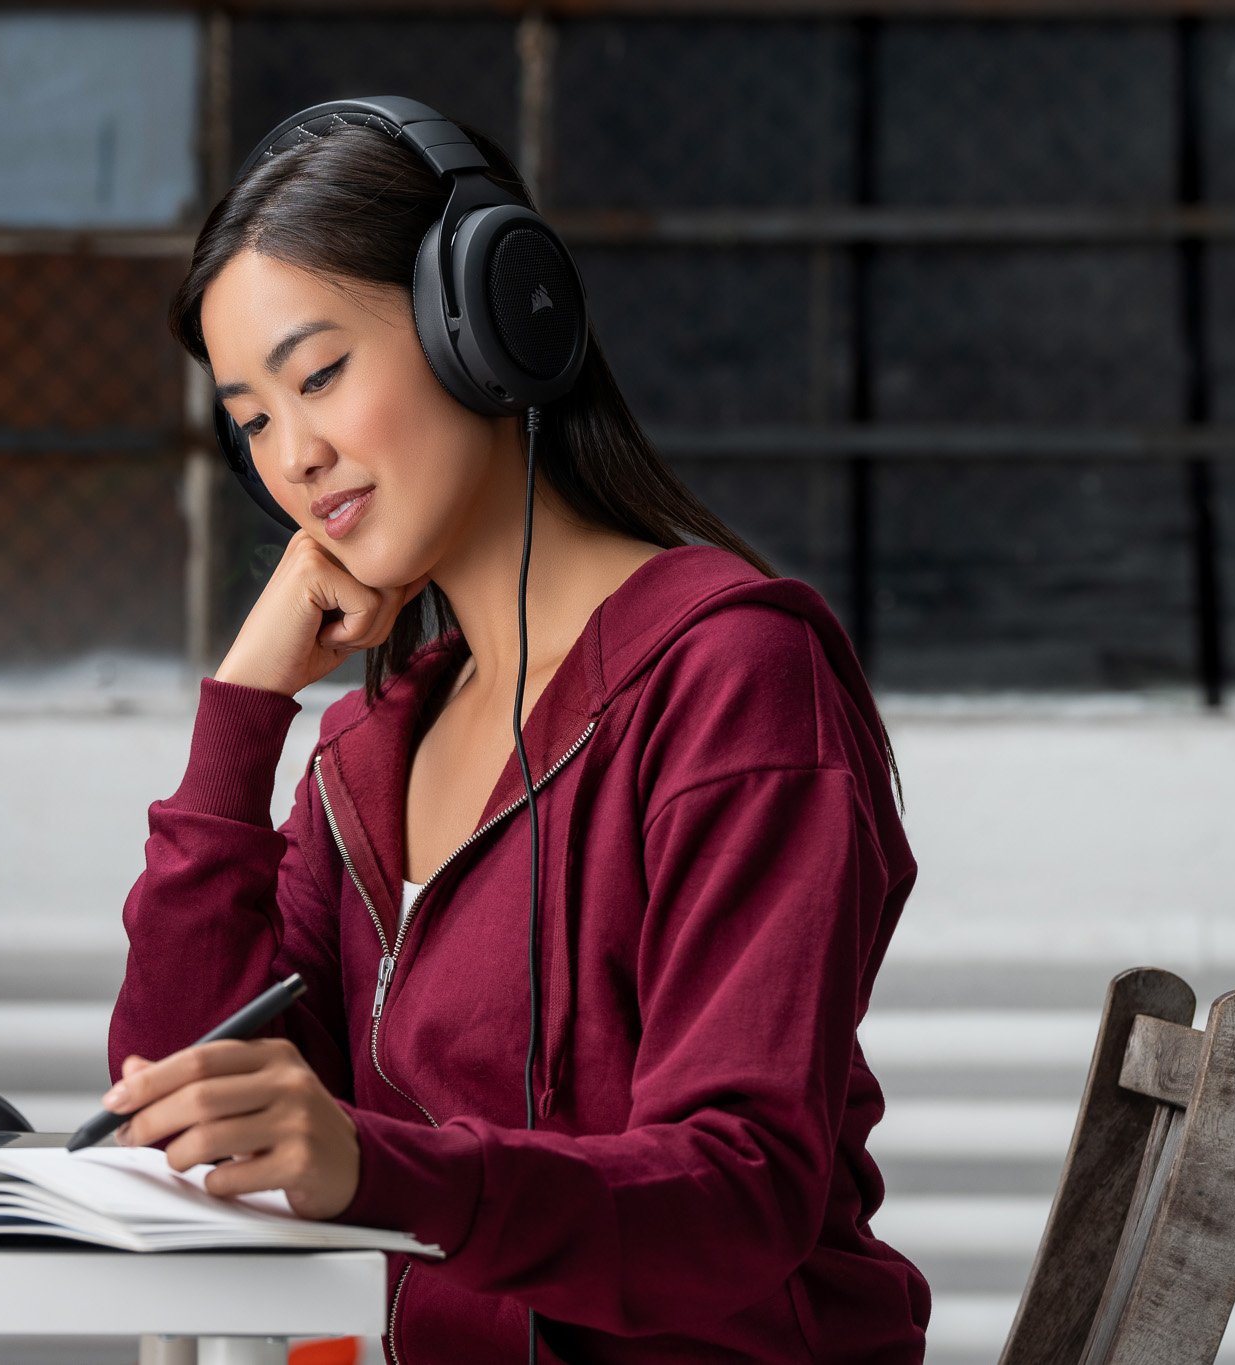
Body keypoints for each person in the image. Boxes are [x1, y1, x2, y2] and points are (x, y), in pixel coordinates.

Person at [105, 108, 930, 1363]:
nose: (297, 458)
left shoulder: (734, 678)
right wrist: (244, 705)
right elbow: (184, 1103)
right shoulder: (364, 754)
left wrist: (380, 1170)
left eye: (318, 375)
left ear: (485, 320)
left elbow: (740, 1188)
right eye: (253, 420)